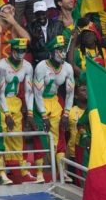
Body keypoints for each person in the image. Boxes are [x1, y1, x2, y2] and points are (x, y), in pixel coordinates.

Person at [30, 36, 74, 184]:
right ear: (52, 52)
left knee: (60, 136)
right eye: (59, 50)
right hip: (40, 102)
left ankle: (62, 172)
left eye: (63, 50)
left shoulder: (67, 68)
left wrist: (66, 113)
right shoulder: (42, 67)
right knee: (41, 138)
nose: (63, 54)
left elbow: (70, 93)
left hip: (55, 101)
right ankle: (40, 173)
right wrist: (42, 114)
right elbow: (37, 93)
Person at [0, 38, 34, 185]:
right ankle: (1, 171)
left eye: (23, 51)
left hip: (16, 102)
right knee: (1, 137)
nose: (21, 53)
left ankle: (22, 170)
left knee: (17, 137)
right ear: (12, 50)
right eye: (18, 50)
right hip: (1, 103)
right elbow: (0, 92)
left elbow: (29, 92)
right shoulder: (1, 66)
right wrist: (6, 114)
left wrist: (30, 113)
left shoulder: (28, 67)